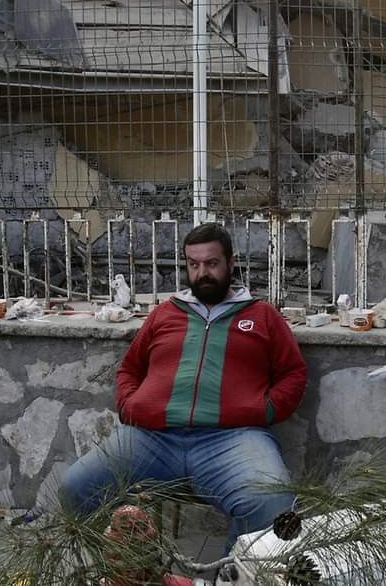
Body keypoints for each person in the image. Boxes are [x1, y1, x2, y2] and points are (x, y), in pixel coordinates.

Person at [61, 223, 307, 547]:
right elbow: (130, 368)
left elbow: (293, 373)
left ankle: (232, 573)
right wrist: (130, 405)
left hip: (233, 440)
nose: (202, 273)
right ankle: (122, 570)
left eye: (212, 263)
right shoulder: (165, 313)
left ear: (230, 263)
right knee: (75, 487)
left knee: (274, 505)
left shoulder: (262, 315)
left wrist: (267, 409)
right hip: (152, 439)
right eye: (194, 264)